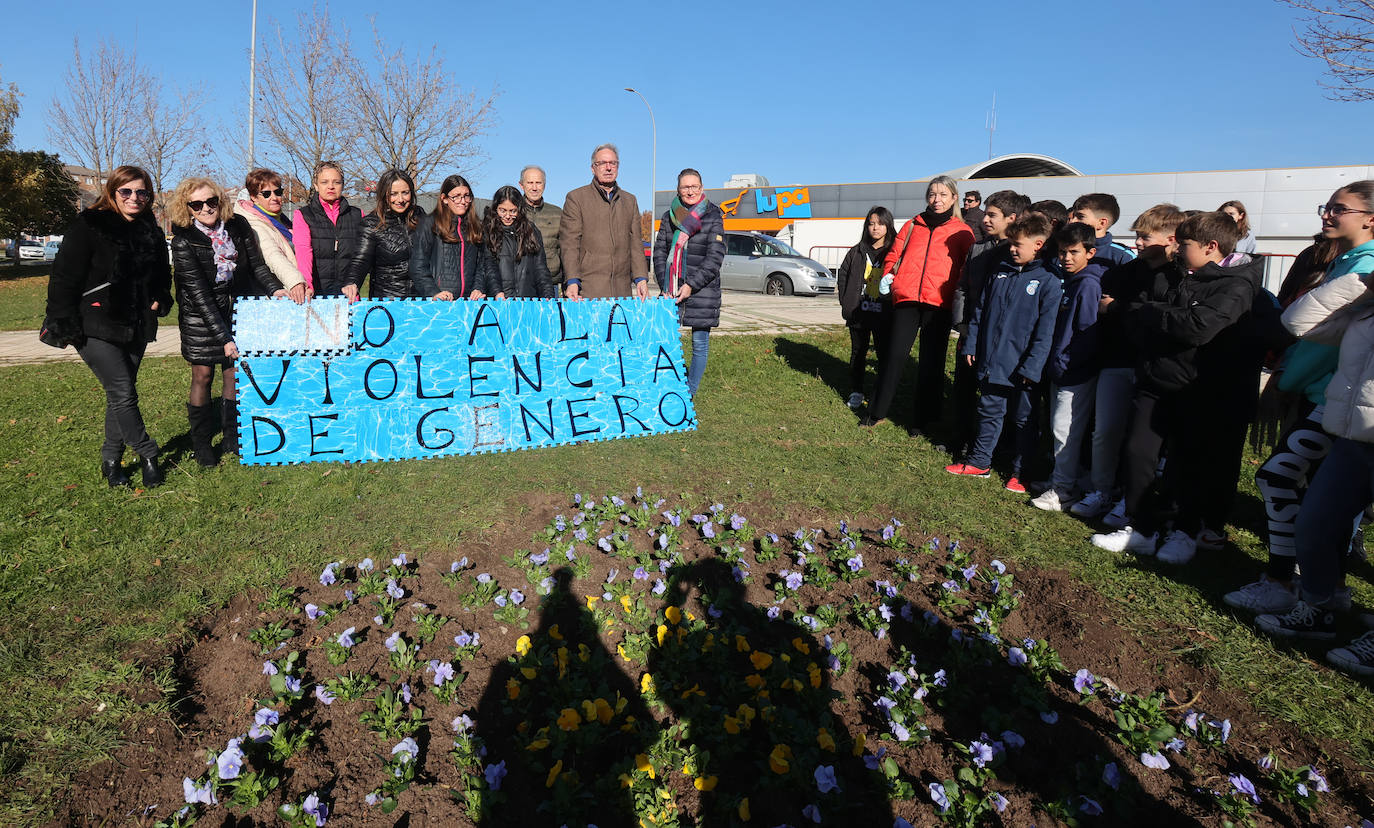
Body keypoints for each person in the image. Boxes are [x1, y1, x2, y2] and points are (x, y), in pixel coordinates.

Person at [1227, 185, 1374, 616]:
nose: (1327, 215)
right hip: (1320, 393)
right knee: (1310, 491)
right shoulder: (1345, 259)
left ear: (1369, 218)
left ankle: (1283, 581)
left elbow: (1324, 344)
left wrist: (1289, 380)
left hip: (1333, 399)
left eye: (1338, 209)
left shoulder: (1365, 266)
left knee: (1279, 478)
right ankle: (1324, 587)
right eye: (1326, 206)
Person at [1091, 212, 1261, 563]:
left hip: (1199, 389)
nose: (1177, 249)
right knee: (1138, 453)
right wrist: (1157, 318)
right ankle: (1140, 528)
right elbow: (1145, 322)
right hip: (1154, 379)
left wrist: (1151, 314)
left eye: (1184, 244)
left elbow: (1199, 327)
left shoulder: (1237, 283)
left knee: (1187, 463)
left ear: (1211, 247)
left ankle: (1182, 531)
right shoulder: (1170, 275)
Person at [42, 165, 172, 488]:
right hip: (94, 324)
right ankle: (148, 452)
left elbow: (161, 274)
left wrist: (159, 296)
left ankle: (111, 461)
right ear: (112, 193)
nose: (134, 198)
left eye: (141, 192)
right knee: (123, 391)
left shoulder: (151, 231)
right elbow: (64, 277)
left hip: (137, 324)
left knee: (119, 394)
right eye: (126, 191)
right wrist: (64, 321)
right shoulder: (90, 226)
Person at [1072, 204, 1186, 524]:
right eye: (1136, 236)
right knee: (1105, 430)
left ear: (1171, 238)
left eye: (1144, 237)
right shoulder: (1127, 271)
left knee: (1144, 443)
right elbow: (1103, 302)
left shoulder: (1180, 276)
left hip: (1155, 368)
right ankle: (1101, 489)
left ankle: (1131, 498)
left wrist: (1123, 309)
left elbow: (1163, 318)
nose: (1136, 243)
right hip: (1117, 360)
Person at [169, 176, 283, 466]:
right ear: (188, 208)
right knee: (203, 375)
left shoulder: (238, 226)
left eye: (211, 201)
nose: (206, 208)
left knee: (233, 373)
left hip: (237, 307)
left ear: (220, 200)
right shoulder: (184, 240)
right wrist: (224, 338)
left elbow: (256, 265)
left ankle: (233, 436)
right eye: (197, 204)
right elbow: (197, 293)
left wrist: (275, 289)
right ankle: (203, 443)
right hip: (200, 315)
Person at [947, 214, 1062, 491]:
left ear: (1038, 244)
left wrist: (1032, 368)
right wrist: (973, 344)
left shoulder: (1049, 281)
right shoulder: (999, 272)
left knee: (1024, 420)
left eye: (1018, 244)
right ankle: (979, 462)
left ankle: (1021, 473)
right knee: (989, 411)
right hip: (992, 361)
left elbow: (1045, 333)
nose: (1012, 249)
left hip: (1023, 369)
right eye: (1011, 243)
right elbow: (980, 312)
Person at [861, 175, 976, 434]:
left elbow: (966, 268)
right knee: (894, 356)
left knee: (931, 363)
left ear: (954, 198)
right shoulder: (913, 224)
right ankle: (876, 411)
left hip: (939, 304)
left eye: (943, 195)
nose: (937, 200)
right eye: (933, 194)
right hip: (907, 299)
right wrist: (891, 273)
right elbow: (894, 254)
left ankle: (923, 420)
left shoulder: (962, 231)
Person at [950, 190, 1031, 460]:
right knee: (963, 388)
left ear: (1012, 218)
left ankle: (996, 449)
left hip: (1000, 336)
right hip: (970, 330)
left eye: (992, 214)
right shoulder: (978, 247)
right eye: (985, 212)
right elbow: (962, 287)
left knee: (995, 395)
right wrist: (961, 325)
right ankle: (959, 440)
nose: (985, 218)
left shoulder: (1020, 253)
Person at [1031, 222, 1106, 511]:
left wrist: (1064, 363)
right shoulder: (1072, 281)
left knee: (1065, 429)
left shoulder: (1087, 284)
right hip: (1062, 369)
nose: (1067, 258)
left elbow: (1087, 332)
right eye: (1062, 252)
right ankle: (1060, 479)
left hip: (1074, 372)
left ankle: (1063, 490)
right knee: (1058, 427)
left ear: (1090, 252)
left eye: (1074, 252)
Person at [651, 168, 727, 397]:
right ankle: (665, 387)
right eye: (685, 187)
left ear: (702, 188)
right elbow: (660, 252)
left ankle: (689, 393)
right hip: (670, 290)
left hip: (701, 291)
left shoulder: (713, 216)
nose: (690, 191)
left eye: (694, 186)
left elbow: (715, 257)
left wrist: (691, 285)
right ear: (678, 190)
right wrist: (666, 285)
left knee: (700, 346)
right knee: (663, 342)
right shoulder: (669, 216)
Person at [559, 144, 650, 300]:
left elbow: (635, 243)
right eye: (602, 163)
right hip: (588, 290)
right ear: (593, 168)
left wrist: (641, 278)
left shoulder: (630, 200)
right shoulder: (576, 198)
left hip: (622, 292)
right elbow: (570, 243)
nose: (608, 168)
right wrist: (572, 280)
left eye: (613, 163)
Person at [835, 206, 896, 409]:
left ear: (888, 226)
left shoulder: (894, 251)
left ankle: (880, 394)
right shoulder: (857, 251)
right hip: (859, 312)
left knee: (883, 354)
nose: (875, 228)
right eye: (871, 223)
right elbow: (843, 275)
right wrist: (846, 301)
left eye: (880, 223)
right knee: (858, 352)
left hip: (884, 314)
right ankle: (856, 391)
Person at [347, 168, 425, 298]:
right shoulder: (371, 223)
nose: (400, 199)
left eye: (405, 193)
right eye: (393, 194)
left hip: (421, 301)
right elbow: (360, 260)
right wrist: (352, 282)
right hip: (387, 300)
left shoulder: (420, 216)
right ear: (384, 195)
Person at [410, 174, 490, 301]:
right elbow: (418, 265)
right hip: (439, 303)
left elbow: (481, 264)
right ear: (444, 199)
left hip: (468, 303)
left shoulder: (476, 227)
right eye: (456, 197)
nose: (463, 201)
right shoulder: (429, 223)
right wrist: (433, 292)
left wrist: (478, 288)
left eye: (466, 196)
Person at [236, 168, 309, 304]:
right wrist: (295, 282)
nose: (274, 198)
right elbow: (272, 255)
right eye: (266, 194)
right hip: (278, 296)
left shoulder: (282, 220)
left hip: (296, 291)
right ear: (253, 197)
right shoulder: (254, 223)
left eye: (278, 192)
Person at [293, 161, 364, 299]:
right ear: (316, 185)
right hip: (316, 295)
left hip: (349, 295)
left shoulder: (358, 215)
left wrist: (354, 282)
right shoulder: (303, 215)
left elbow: (362, 257)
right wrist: (307, 285)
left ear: (342, 185)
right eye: (324, 182)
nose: (331, 186)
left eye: (336, 182)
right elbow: (303, 253)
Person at [482, 185, 555, 299]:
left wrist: (547, 295)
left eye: (513, 211)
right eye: (503, 211)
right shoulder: (489, 231)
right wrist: (497, 291)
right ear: (496, 208)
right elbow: (489, 266)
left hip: (527, 299)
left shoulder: (531, 231)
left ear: (519, 210)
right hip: (500, 299)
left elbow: (540, 268)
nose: (507, 216)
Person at [519, 165, 563, 289]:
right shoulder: (513, 211)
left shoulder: (557, 213)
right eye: (530, 183)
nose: (534, 188)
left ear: (544, 185)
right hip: (519, 284)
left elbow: (564, 249)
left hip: (551, 283)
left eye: (538, 183)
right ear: (521, 185)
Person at [1067, 193, 1135, 267]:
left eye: (1080, 217)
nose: (1072, 221)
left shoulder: (1122, 256)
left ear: (1102, 223)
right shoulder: (1063, 249)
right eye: (1073, 216)